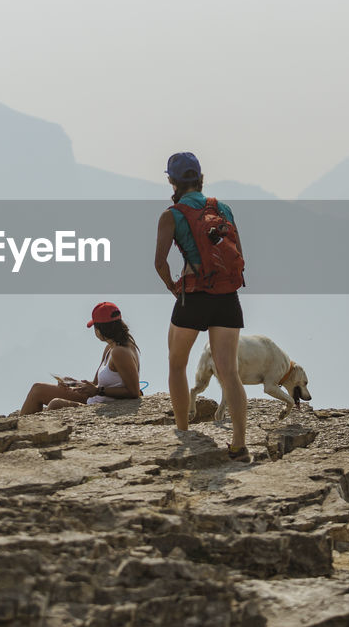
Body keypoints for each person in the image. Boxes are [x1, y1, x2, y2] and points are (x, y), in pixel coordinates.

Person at [153, 151, 250, 461]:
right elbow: (239, 253)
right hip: (227, 297)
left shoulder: (172, 215)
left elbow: (159, 262)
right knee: (229, 373)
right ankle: (238, 442)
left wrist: (173, 287)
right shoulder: (223, 209)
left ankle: (183, 429)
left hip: (193, 296)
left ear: (171, 180)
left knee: (177, 363)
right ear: (200, 177)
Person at [20, 302, 141, 415]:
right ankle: (20, 433)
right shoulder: (111, 347)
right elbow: (95, 384)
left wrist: (99, 391)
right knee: (38, 389)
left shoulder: (119, 352)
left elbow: (134, 392)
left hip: (105, 404)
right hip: (97, 398)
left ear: (99, 330)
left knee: (55, 404)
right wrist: (73, 383)